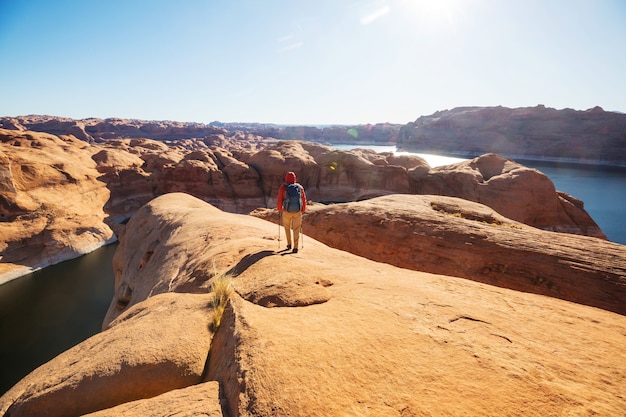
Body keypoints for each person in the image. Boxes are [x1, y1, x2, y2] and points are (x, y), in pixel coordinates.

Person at [277, 171, 307, 253]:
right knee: (296, 229)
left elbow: (280, 199)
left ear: (286, 178)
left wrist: (279, 208)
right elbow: (303, 199)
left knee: (287, 228)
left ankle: (289, 244)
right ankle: (295, 247)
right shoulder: (299, 187)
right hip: (297, 211)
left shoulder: (283, 187)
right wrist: (303, 209)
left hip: (286, 211)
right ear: (295, 178)